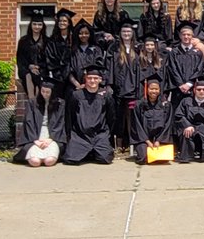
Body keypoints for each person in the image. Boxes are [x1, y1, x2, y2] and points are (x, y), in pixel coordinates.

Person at [63, 65, 115, 165]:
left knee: (106, 159)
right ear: (85, 79)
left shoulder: (106, 95)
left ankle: (91, 151)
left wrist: (106, 133)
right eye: (89, 78)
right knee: (70, 159)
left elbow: (111, 117)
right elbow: (70, 116)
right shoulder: (77, 95)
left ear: (100, 80)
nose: (92, 81)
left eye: (95, 78)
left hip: (99, 135)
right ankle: (89, 151)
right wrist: (71, 134)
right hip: (80, 135)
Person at [15, 79, 66, 167]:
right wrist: (35, 140)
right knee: (35, 162)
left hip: (52, 136)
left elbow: (60, 122)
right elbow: (29, 121)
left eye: (47, 92)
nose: (45, 94)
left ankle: (46, 157)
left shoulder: (60, 104)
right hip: (35, 135)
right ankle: (39, 157)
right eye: (43, 91)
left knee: (49, 161)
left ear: (53, 92)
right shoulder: (33, 103)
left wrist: (50, 139)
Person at [174, 76, 204, 163]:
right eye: (199, 89)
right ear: (194, 90)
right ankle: (186, 156)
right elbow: (178, 115)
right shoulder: (186, 101)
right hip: (190, 130)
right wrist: (187, 125)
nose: (201, 91)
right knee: (186, 133)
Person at [129, 74, 174, 165]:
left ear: (160, 90)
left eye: (156, 89)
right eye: (151, 89)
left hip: (160, 139)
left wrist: (158, 140)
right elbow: (136, 125)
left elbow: (168, 124)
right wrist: (147, 141)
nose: (154, 91)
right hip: (143, 139)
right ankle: (142, 150)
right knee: (143, 158)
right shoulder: (139, 105)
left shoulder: (166, 105)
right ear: (146, 89)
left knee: (163, 158)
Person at [110, 21, 140, 152]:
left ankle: (130, 145)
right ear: (120, 34)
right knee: (119, 117)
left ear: (132, 33)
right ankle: (119, 145)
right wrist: (110, 85)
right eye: (124, 32)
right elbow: (110, 68)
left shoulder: (138, 48)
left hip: (133, 88)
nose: (126, 34)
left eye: (128, 32)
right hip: (119, 89)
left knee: (131, 117)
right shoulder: (115, 49)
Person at [166, 21, 204, 103]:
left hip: (192, 89)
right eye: (184, 34)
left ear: (192, 36)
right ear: (180, 36)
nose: (186, 37)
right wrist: (180, 84)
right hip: (177, 89)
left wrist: (189, 84)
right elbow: (172, 69)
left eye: (189, 35)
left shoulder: (197, 53)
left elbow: (199, 70)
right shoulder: (174, 52)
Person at [16, 9, 48, 99]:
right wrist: (30, 66)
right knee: (28, 75)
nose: (37, 27)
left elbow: (48, 59)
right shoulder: (23, 41)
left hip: (41, 69)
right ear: (30, 25)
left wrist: (38, 66)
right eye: (34, 24)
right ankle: (32, 100)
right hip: (26, 69)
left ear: (43, 26)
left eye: (39, 24)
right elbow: (20, 58)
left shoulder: (47, 41)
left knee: (39, 75)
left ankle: (36, 102)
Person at [44, 8, 76, 98]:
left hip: (73, 75)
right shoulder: (52, 40)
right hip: (57, 76)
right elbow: (49, 57)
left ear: (69, 23)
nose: (62, 23)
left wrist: (70, 70)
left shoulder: (74, 39)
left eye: (65, 21)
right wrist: (58, 71)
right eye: (60, 21)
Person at [68, 20, 106, 91]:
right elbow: (69, 71)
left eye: (86, 33)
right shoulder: (72, 51)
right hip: (76, 87)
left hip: (93, 87)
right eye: (81, 33)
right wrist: (78, 85)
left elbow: (100, 69)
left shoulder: (96, 49)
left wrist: (87, 84)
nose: (83, 35)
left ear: (90, 34)